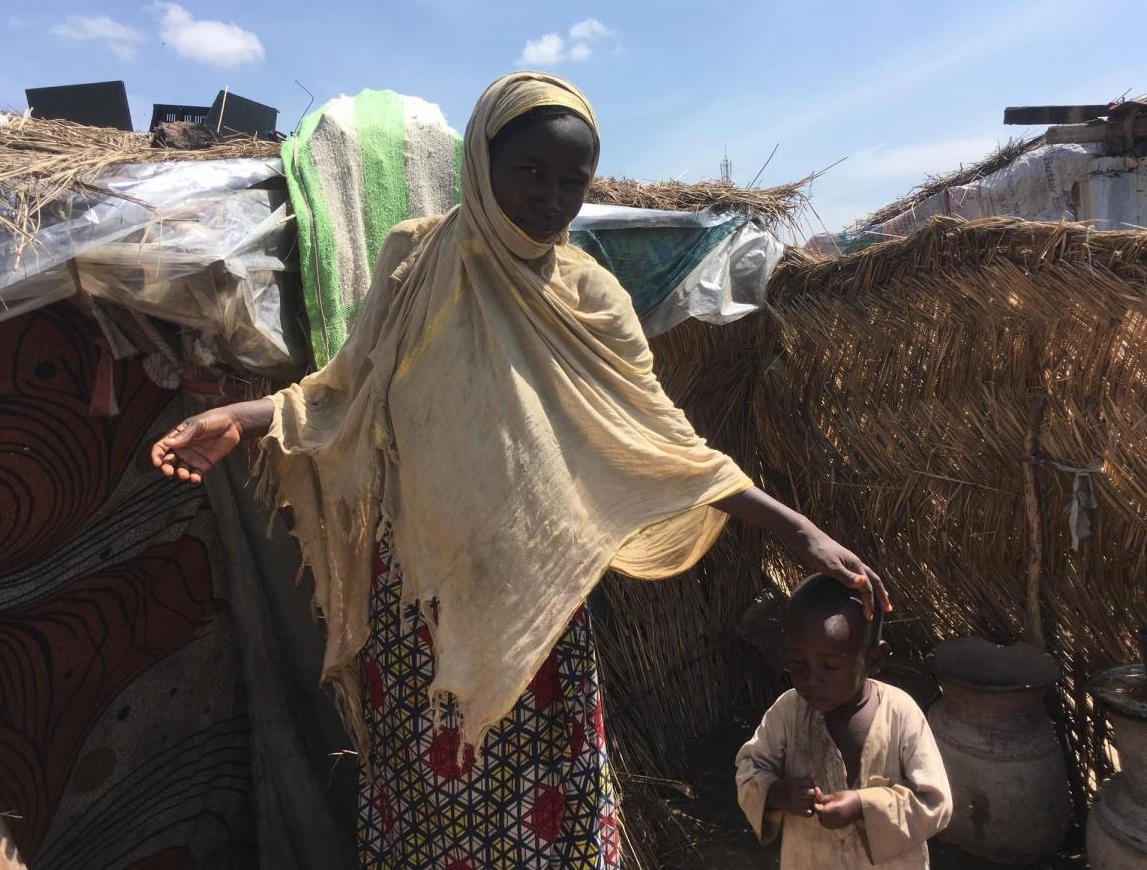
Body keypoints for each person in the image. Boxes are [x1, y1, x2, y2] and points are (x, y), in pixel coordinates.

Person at [152, 71, 889, 868]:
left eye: (572, 181)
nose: (551, 198)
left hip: (534, 605)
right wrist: (239, 417)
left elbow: (665, 440)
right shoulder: (417, 259)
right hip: (418, 598)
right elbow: (344, 392)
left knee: (536, 801)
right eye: (531, 173)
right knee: (427, 791)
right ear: (481, 162)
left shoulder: (589, 297)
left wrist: (800, 529)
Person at [735, 575, 950, 868]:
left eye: (831, 666)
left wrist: (864, 807)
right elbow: (749, 769)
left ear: (874, 659)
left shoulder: (900, 713)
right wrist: (775, 793)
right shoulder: (788, 711)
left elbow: (936, 801)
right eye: (797, 662)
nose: (811, 680)